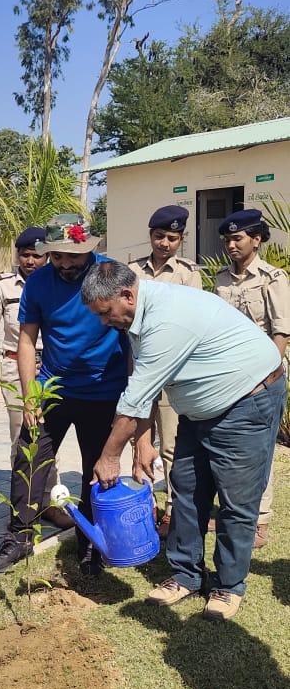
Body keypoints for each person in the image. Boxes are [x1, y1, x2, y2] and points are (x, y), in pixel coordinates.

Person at [81, 260, 286, 620]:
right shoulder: (137, 313)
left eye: (105, 312)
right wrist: (143, 442)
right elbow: (141, 381)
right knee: (186, 489)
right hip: (200, 410)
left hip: (246, 401)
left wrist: (109, 457)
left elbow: (135, 399)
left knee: (237, 500)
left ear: (127, 294)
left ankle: (228, 584)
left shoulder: (166, 318)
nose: (103, 321)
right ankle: (186, 574)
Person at [0, 214, 129, 576]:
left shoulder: (112, 276)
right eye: (56, 256)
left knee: (97, 469)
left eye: (72, 256)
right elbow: (26, 340)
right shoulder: (38, 284)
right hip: (52, 388)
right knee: (29, 459)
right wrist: (31, 394)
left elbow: (132, 336)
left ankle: (92, 544)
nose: (64, 264)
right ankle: (19, 537)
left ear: (88, 250)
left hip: (103, 390)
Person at [0, 225, 71, 531]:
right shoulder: (3, 286)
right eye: (25, 254)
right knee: (24, 438)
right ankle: (25, 507)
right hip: (15, 369)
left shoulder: (59, 282)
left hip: (54, 369)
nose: (30, 261)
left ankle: (49, 503)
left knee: (50, 439)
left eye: (36, 255)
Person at [214, 208, 290, 548]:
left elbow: (281, 332)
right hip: (228, 375)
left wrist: (263, 376)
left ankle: (260, 519)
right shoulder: (221, 279)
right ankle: (234, 511)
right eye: (228, 239)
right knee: (230, 447)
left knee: (261, 448)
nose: (231, 244)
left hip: (264, 375)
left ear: (256, 239)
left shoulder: (273, 278)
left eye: (238, 238)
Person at [129, 205, 202, 539]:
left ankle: (173, 510)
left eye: (172, 238)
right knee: (139, 440)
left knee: (172, 445)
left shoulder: (188, 273)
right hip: (138, 368)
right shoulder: (131, 272)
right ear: (150, 236)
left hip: (173, 373)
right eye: (160, 236)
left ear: (181, 240)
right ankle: (146, 504)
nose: (165, 244)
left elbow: (193, 320)